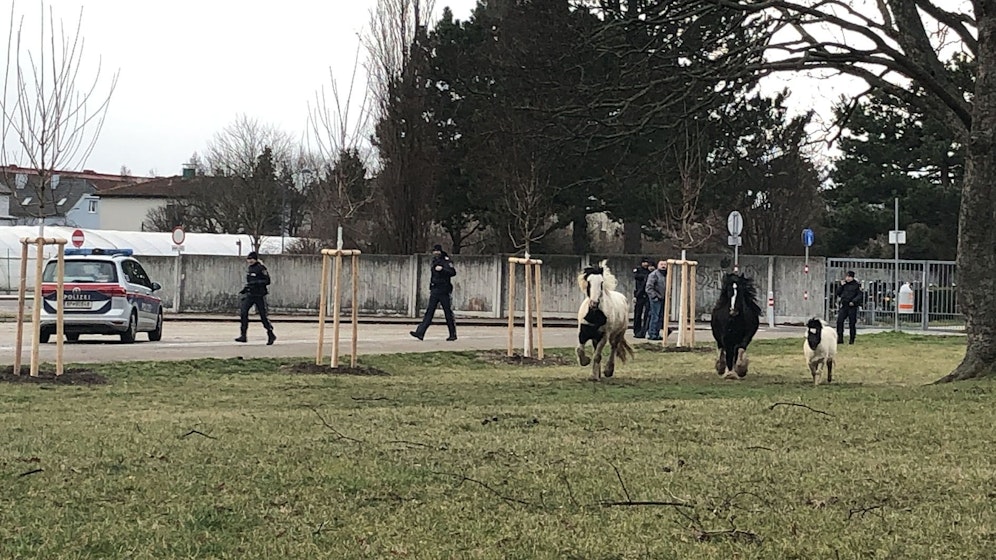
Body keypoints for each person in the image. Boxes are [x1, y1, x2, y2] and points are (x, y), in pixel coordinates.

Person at [410, 244, 458, 341]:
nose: (435, 253)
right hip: (435, 290)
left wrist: (442, 270)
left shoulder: (446, 260)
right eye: (434, 251)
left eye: (437, 251)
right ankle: (420, 332)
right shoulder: (434, 261)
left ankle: (452, 334)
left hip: (444, 290)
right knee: (429, 312)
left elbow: (452, 272)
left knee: (448, 313)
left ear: (440, 251)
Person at [235, 251, 276, 345]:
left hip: (259, 295)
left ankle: (270, 333)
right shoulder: (250, 268)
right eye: (248, 259)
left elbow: (267, 281)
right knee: (243, 312)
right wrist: (245, 289)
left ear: (255, 259)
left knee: (263, 316)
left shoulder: (261, 268)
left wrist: (256, 283)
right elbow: (249, 281)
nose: (250, 261)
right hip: (250, 294)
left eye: (251, 259)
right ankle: (243, 335)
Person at [835, 270, 863, 345]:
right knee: (839, 321)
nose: (847, 278)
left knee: (852, 323)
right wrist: (841, 286)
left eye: (849, 277)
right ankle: (840, 339)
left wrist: (854, 301)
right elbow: (838, 293)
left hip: (852, 306)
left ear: (852, 277)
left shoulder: (856, 285)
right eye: (847, 276)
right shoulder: (844, 285)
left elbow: (859, 295)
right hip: (844, 305)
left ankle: (852, 339)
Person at [644, 260, 668, 340]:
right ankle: (652, 333)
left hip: (663, 298)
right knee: (655, 316)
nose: (663, 266)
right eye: (661, 264)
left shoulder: (666, 274)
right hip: (656, 299)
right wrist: (654, 297)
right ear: (658, 265)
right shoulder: (654, 274)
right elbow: (648, 288)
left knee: (660, 317)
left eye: (665, 264)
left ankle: (656, 333)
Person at [632, 257, 653, 338]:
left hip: (647, 295)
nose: (645, 264)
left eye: (647, 262)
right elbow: (637, 277)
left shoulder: (650, 271)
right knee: (638, 314)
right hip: (639, 294)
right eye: (644, 262)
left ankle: (644, 331)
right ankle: (636, 331)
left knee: (647, 314)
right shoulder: (638, 270)